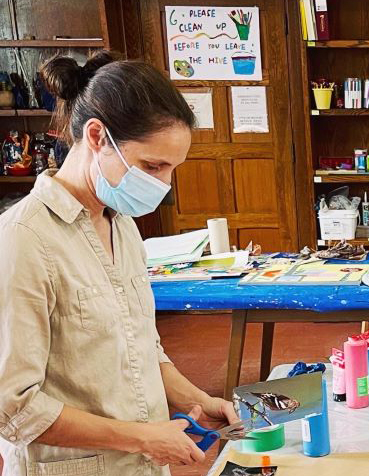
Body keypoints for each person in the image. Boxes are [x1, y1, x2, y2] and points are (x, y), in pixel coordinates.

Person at [0, 51, 238, 475]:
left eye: (171, 170)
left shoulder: (121, 225)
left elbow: (140, 346)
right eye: (152, 166)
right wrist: (144, 436)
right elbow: (12, 407)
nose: (162, 185)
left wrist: (195, 400)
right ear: (96, 137)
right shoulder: (24, 239)